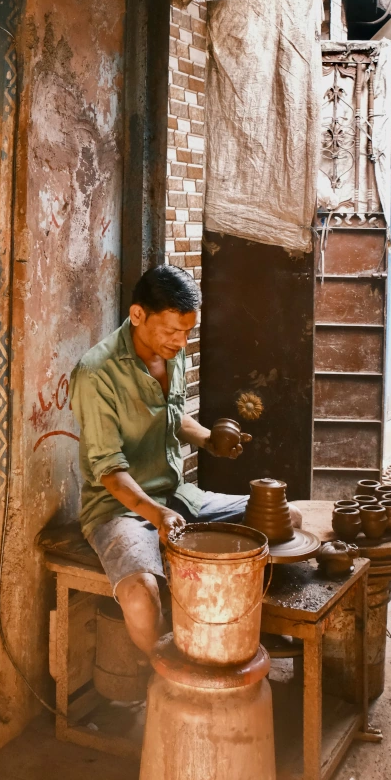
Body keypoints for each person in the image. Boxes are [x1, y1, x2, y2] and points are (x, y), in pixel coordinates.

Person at [69, 263, 252, 659]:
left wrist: (210, 440)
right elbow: (111, 473)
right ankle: (166, 681)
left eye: (188, 331)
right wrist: (157, 516)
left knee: (275, 521)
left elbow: (170, 415)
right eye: (172, 331)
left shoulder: (172, 353)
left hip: (175, 496)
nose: (181, 342)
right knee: (140, 598)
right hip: (118, 509)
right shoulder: (96, 373)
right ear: (137, 315)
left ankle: (234, 643)